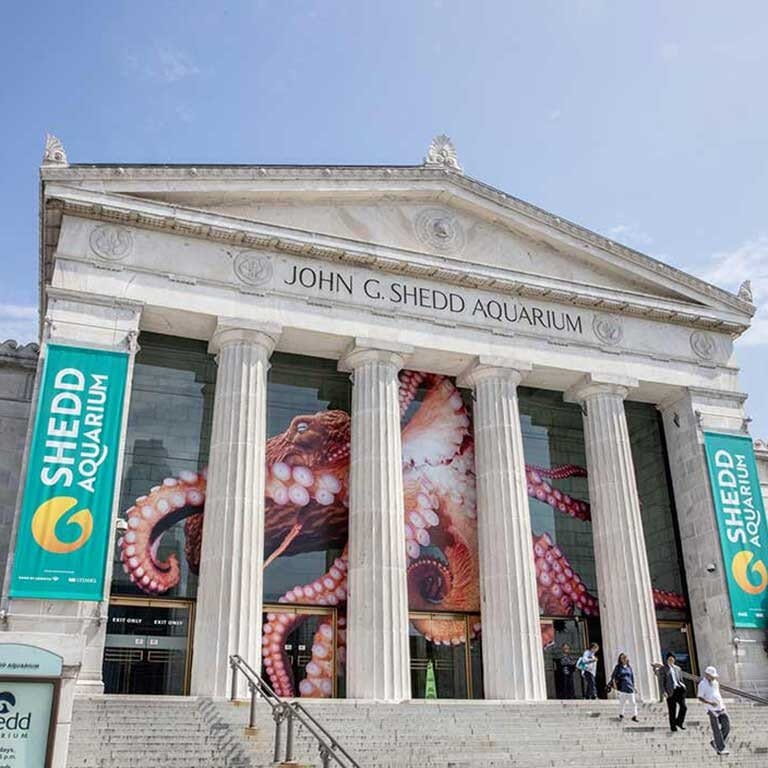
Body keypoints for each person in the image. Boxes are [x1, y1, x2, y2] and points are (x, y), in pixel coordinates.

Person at [697, 666, 730, 756]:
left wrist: (722, 705)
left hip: (721, 707)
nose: (713, 677)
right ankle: (720, 748)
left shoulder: (715, 683)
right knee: (716, 729)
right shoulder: (702, 684)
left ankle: (715, 742)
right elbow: (700, 697)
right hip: (711, 709)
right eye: (712, 676)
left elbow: (717, 694)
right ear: (707, 675)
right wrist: (710, 703)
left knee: (727, 726)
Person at [659, 653, 687, 732]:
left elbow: (680, 679)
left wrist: (683, 686)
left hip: (679, 690)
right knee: (672, 710)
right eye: (669, 659)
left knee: (684, 707)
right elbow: (661, 682)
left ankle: (679, 722)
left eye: (672, 659)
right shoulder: (663, 669)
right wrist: (664, 691)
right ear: (667, 660)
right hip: (670, 691)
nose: (671, 660)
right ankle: (673, 727)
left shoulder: (678, 668)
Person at [610, 653, 639, 722]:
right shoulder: (618, 667)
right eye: (622, 658)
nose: (624, 659)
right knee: (622, 703)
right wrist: (615, 685)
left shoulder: (629, 667)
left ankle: (634, 716)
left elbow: (632, 678)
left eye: (625, 658)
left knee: (633, 703)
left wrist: (634, 687)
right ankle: (621, 714)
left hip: (630, 687)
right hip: (622, 687)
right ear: (620, 659)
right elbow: (613, 676)